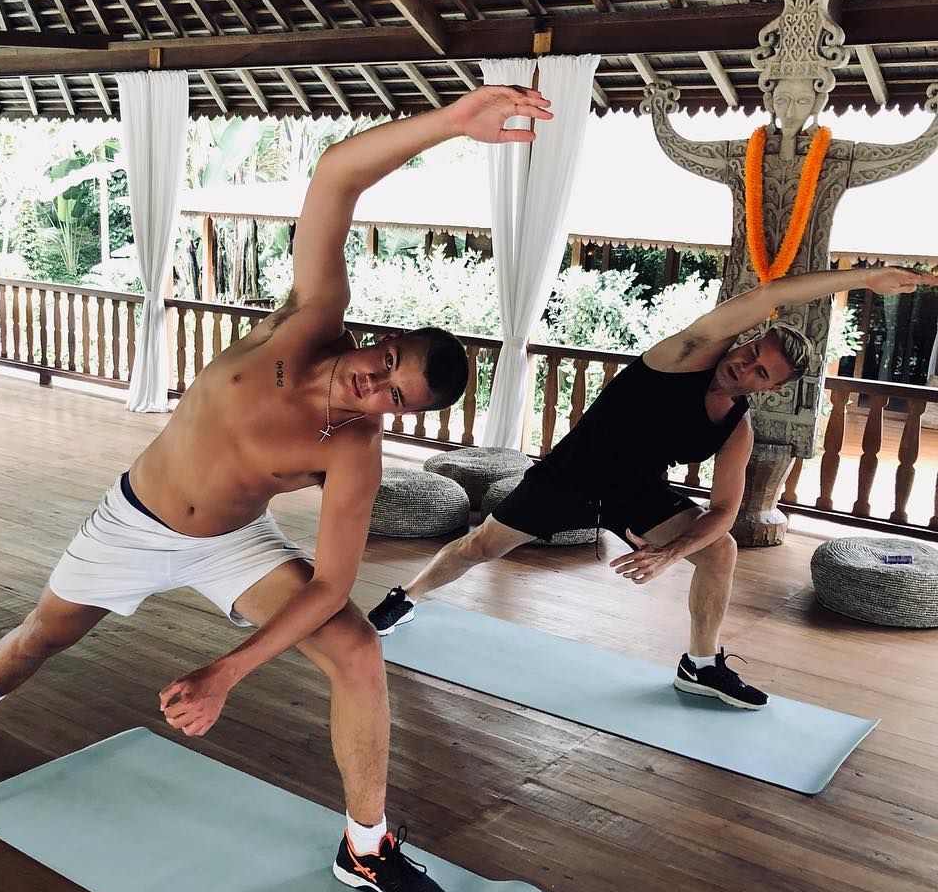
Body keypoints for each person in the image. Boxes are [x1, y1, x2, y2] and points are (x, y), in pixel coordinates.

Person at [0, 84, 555, 892]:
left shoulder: (353, 451)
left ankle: (367, 846)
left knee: (358, 650)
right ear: (381, 336)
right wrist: (449, 124)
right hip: (133, 522)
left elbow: (330, 587)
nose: (376, 385)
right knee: (40, 637)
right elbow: (335, 177)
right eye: (389, 359)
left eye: (395, 399)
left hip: (233, 541)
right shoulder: (308, 319)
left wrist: (228, 671)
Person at [368, 266, 938, 708]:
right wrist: (864, 280)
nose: (746, 366)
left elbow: (726, 510)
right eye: (751, 352)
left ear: (769, 389)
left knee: (722, 549)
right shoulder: (685, 354)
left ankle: (701, 664)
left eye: (762, 373)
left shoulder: (736, 428)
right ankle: (404, 598)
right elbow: (772, 295)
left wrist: (672, 552)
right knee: (479, 548)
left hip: (634, 492)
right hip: (569, 475)